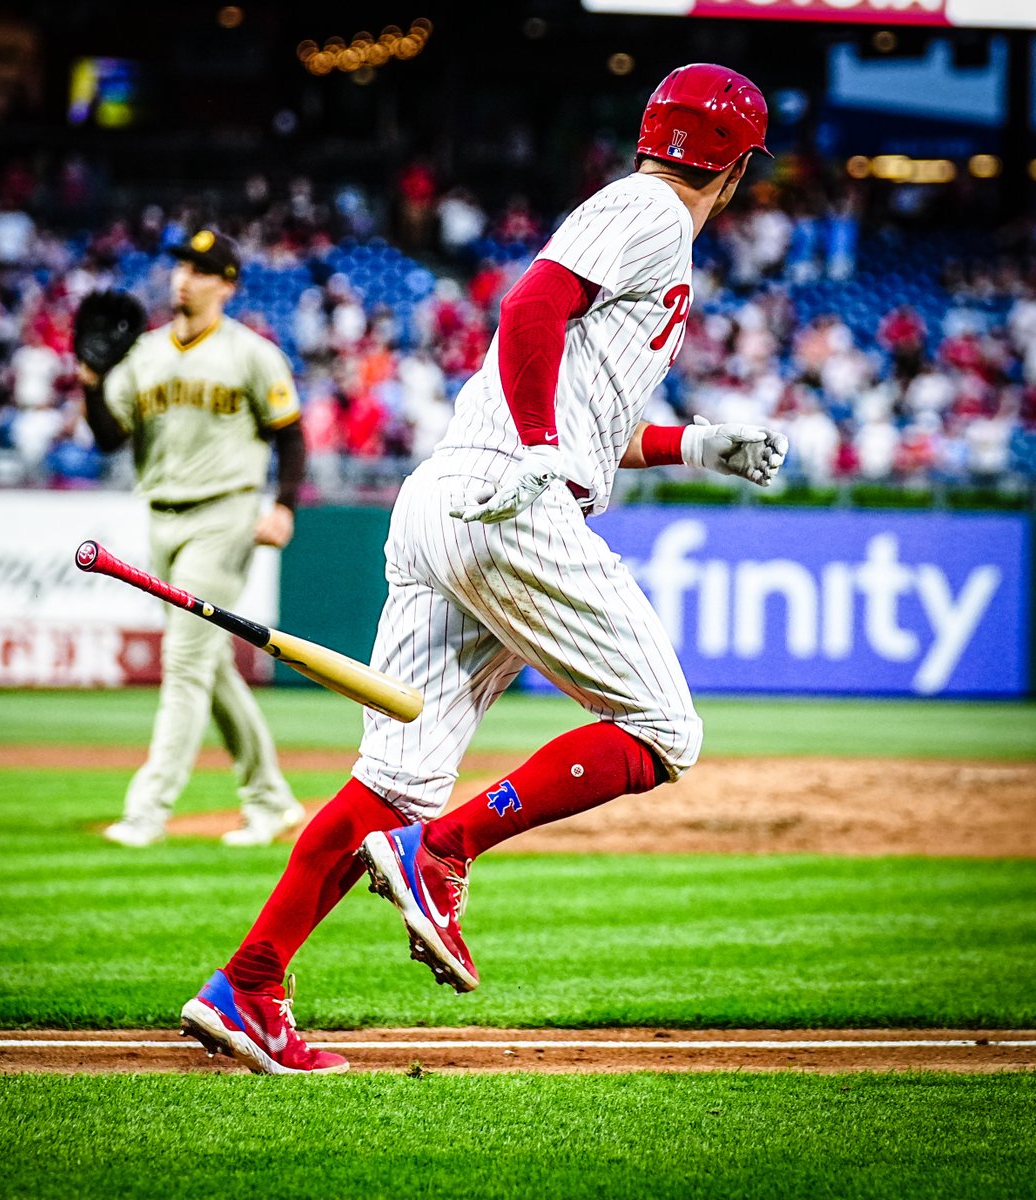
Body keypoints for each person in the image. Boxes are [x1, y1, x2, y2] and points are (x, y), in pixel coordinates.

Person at [177, 64, 789, 1074]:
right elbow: (529, 308)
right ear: (733, 168)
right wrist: (546, 444)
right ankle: (448, 850)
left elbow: (595, 418)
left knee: (390, 780)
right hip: (511, 498)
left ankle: (247, 985)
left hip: (453, 499)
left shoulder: (637, 216)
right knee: (664, 729)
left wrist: (696, 446)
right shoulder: (650, 211)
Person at [79, 228, 306, 849]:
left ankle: (147, 811)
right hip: (163, 517)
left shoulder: (251, 353)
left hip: (225, 514)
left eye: (202, 269)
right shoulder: (145, 353)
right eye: (181, 265)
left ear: (227, 284)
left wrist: (283, 505)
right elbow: (107, 437)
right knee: (207, 667)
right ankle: (271, 799)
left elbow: (290, 433)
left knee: (183, 660)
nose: (185, 277)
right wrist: (89, 379)